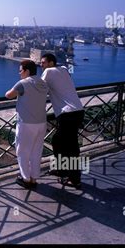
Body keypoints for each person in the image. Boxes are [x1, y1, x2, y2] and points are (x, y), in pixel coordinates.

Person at [41, 53, 84, 189]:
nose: (41, 65)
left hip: (67, 113)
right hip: (78, 110)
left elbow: (39, 88)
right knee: (59, 142)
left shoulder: (48, 71)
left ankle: (74, 179)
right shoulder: (64, 69)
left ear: (51, 63)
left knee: (69, 147)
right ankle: (62, 169)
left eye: (43, 62)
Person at [5, 59, 47, 189]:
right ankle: (34, 178)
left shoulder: (23, 83)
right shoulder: (43, 83)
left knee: (23, 151)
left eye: (20, 71)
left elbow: (8, 95)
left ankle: (26, 179)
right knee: (36, 151)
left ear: (27, 71)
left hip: (27, 123)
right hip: (42, 122)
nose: (19, 73)